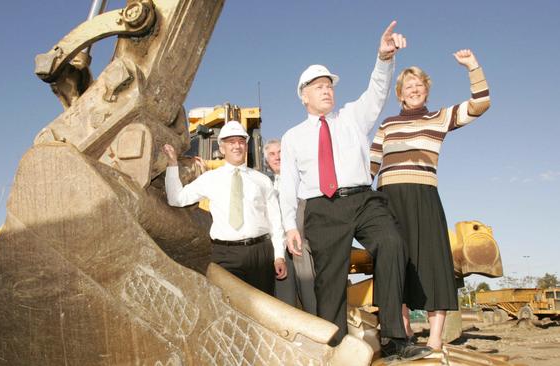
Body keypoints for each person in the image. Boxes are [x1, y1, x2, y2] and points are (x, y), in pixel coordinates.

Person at [279, 20, 431, 360]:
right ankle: (333, 348)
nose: (327, 90)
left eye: (330, 85)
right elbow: (287, 185)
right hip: (322, 209)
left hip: (363, 199)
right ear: (304, 95)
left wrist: (383, 58)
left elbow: (377, 91)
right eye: (319, 86)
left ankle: (395, 338)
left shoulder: (353, 118)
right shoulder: (292, 138)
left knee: (392, 243)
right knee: (330, 282)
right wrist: (290, 225)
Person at [370, 49, 490, 350]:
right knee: (394, 263)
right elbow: (370, 165)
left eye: (419, 85)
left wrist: (472, 67)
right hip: (388, 198)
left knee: (434, 263)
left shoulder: (439, 118)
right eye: (408, 85)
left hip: (424, 197)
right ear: (400, 93)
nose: (414, 89)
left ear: (426, 91)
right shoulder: (387, 124)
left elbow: (480, 104)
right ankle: (404, 330)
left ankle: (435, 339)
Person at [164, 121, 287, 295]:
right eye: (231, 142)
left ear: (246, 146)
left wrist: (279, 256)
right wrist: (172, 164)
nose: (237, 146)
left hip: (261, 254)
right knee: (229, 307)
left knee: (260, 311)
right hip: (225, 255)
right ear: (222, 148)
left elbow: (275, 221)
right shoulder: (210, 179)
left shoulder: (263, 181)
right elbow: (176, 199)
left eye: (241, 141)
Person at [265, 139, 318, 314]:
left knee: (311, 299)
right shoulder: (266, 186)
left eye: (280, 152)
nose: (277, 157)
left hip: (302, 246)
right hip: (280, 251)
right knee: (285, 305)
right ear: (267, 160)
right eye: (272, 154)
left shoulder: (303, 182)